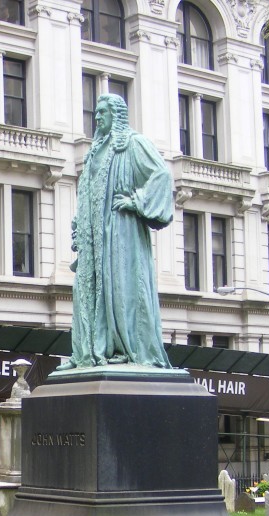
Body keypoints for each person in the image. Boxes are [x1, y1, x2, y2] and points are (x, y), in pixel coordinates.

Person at [57, 93, 174, 370]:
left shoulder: (133, 143)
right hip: (94, 240)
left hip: (121, 235)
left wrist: (136, 202)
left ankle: (126, 348)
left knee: (121, 288)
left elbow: (161, 176)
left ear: (116, 115)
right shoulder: (96, 151)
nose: (96, 118)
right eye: (95, 113)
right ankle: (89, 352)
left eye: (102, 113)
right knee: (87, 291)